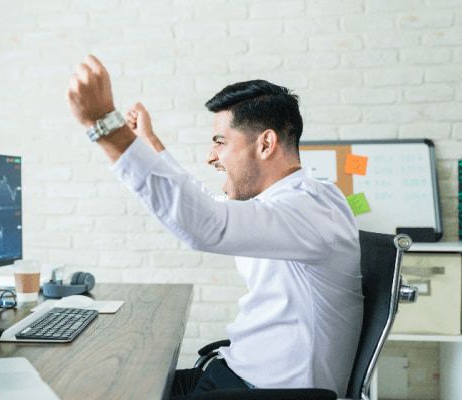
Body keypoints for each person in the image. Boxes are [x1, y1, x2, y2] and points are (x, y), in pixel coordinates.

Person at [66, 55, 363, 398]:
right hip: (235, 374)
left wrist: (106, 126)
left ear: (265, 144)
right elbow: (204, 206)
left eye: (220, 142)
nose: (211, 157)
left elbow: (206, 223)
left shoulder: (310, 208)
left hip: (265, 393)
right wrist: (151, 143)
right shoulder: (282, 205)